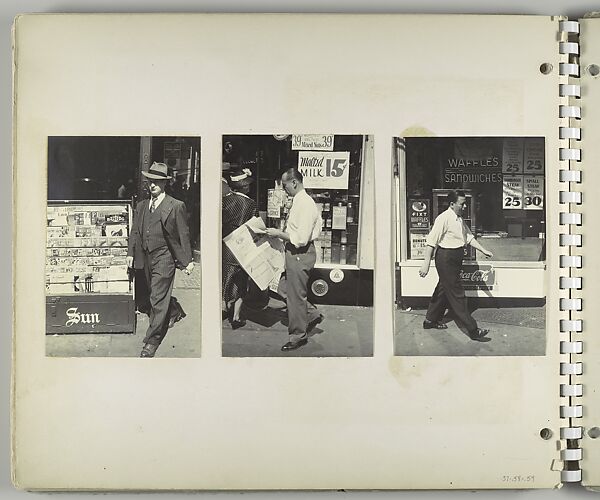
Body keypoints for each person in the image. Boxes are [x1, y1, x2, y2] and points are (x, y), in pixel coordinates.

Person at [127, 162, 194, 358]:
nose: (152, 185)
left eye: (157, 182)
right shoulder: (141, 206)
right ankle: (173, 311)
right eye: (150, 181)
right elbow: (135, 232)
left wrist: (187, 260)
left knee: (157, 298)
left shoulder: (175, 206)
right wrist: (131, 253)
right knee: (152, 296)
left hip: (165, 257)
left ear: (165, 183)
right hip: (145, 256)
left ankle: (152, 341)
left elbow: (183, 234)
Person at [418, 190, 493, 342]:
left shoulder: (459, 219)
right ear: (452, 204)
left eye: (465, 203)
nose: (465, 206)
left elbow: (469, 237)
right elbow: (431, 241)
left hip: (455, 258)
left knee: (443, 289)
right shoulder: (443, 218)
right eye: (462, 204)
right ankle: (473, 330)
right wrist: (426, 263)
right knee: (458, 294)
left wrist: (483, 250)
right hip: (446, 258)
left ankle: (430, 321)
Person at [266, 167, 323, 351]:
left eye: (285, 185)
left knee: (295, 297)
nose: (284, 189)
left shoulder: (305, 203)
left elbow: (301, 238)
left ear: (294, 182)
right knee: (283, 287)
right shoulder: (300, 201)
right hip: (294, 253)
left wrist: (279, 234)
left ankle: (298, 336)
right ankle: (312, 314)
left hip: (300, 253)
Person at [222, 167, 257, 328]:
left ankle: (222, 307)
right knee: (241, 282)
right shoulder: (251, 204)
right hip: (243, 247)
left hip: (227, 246)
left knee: (225, 280)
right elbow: (254, 226)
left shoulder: (225, 200)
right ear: (244, 186)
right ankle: (236, 316)